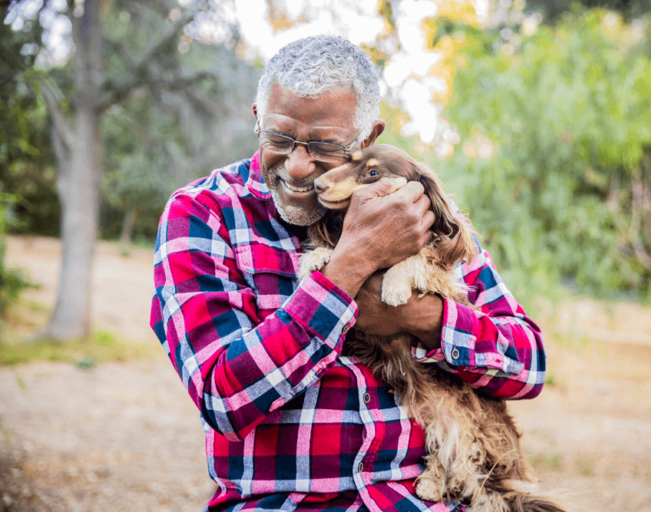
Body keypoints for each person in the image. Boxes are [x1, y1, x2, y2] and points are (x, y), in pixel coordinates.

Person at [150, 35, 546, 512]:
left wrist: (420, 317)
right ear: (257, 116)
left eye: (324, 145)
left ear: (368, 140)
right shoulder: (202, 214)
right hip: (283, 503)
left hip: (425, 499)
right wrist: (352, 264)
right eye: (279, 138)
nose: (297, 166)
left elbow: (529, 365)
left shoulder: (416, 209)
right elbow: (224, 398)